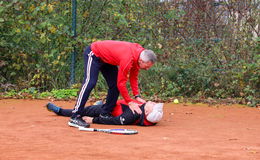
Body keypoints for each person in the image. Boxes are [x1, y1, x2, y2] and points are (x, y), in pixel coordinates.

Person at [69, 40, 157, 128]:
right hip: (94, 53)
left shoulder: (139, 55)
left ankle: (105, 114)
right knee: (90, 83)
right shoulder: (127, 59)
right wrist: (129, 102)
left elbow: (133, 77)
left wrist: (137, 95)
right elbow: (121, 83)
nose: (147, 69)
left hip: (107, 60)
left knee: (114, 86)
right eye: (147, 66)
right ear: (141, 61)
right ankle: (75, 116)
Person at [46, 100, 164, 126]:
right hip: (113, 106)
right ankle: (97, 106)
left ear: (147, 111)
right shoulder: (147, 114)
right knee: (94, 108)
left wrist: (93, 120)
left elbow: (115, 121)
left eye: (153, 105)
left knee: (83, 111)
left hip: (108, 111)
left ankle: (60, 111)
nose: (153, 102)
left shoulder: (133, 114)